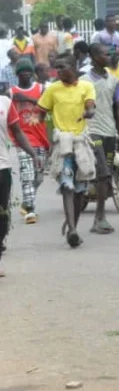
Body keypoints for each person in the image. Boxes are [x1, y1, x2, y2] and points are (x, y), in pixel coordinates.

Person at [38, 53, 97, 248]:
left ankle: (73, 227)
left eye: (62, 67)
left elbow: (90, 106)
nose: (59, 71)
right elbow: (41, 114)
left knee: (80, 190)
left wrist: (88, 113)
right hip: (62, 144)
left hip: (80, 143)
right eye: (57, 68)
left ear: (73, 66)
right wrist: (44, 139)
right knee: (67, 186)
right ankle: (72, 230)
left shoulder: (86, 86)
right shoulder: (52, 90)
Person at [85, 43, 119, 234]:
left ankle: (98, 217)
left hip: (109, 133)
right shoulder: (84, 80)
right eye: (105, 54)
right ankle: (99, 218)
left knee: (106, 174)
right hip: (91, 132)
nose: (110, 56)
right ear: (95, 57)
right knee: (104, 173)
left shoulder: (114, 81)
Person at [0, 87, 42, 275]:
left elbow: (17, 132)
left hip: (2, 167)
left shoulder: (5, 103)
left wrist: (32, 153)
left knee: (2, 216)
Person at [10, 58, 48, 223]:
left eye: (28, 71)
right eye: (22, 71)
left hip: (40, 137)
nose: (26, 74)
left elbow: (47, 108)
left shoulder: (41, 89)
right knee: (27, 173)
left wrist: (26, 98)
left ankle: (26, 202)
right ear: (18, 74)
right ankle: (30, 211)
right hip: (22, 139)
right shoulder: (11, 92)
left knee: (38, 177)